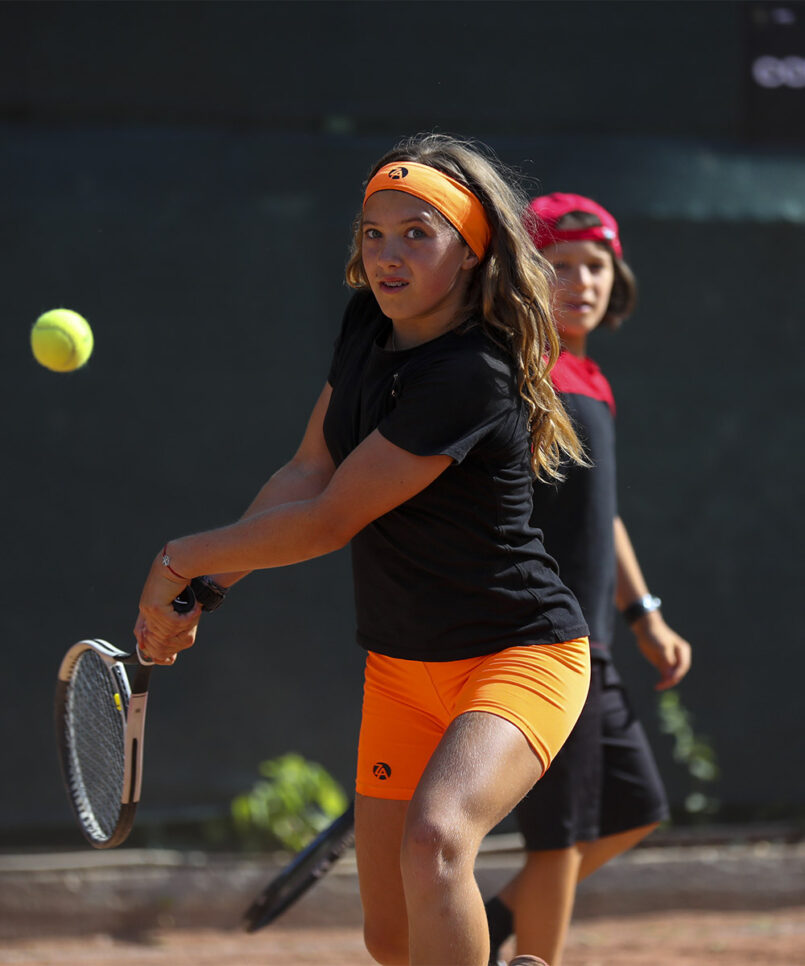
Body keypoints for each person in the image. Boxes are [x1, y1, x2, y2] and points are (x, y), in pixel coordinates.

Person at [133, 135, 593, 966]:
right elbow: (308, 470)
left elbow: (332, 518)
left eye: (417, 232)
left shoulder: (470, 375)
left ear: (468, 252)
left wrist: (179, 559)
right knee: (393, 942)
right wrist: (204, 592)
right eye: (373, 232)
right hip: (399, 666)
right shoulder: (366, 326)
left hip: (518, 656)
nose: (387, 254)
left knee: (436, 843)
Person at [484, 193, 693, 966]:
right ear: (524, 276)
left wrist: (644, 614)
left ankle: (484, 927)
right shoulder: (518, 367)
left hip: (595, 641)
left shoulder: (590, 377)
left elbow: (599, 513)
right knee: (559, 838)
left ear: (616, 277)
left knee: (632, 809)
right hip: (541, 638)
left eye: (595, 266)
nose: (580, 281)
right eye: (558, 265)